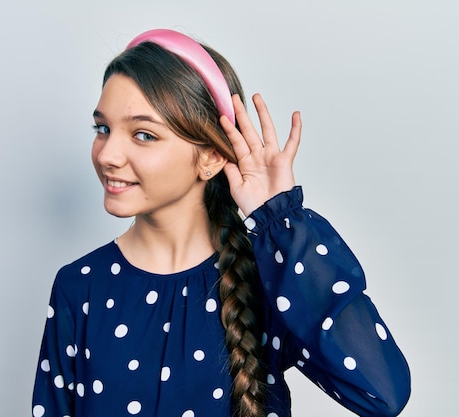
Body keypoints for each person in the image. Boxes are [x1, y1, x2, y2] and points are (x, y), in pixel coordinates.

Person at [32, 28, 411, 417]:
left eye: (143, 135)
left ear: (211, 157)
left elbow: (382, 392)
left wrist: (279, 218)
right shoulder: (79, 287)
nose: (108, 154)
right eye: (103, 129)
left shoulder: (268, 277)